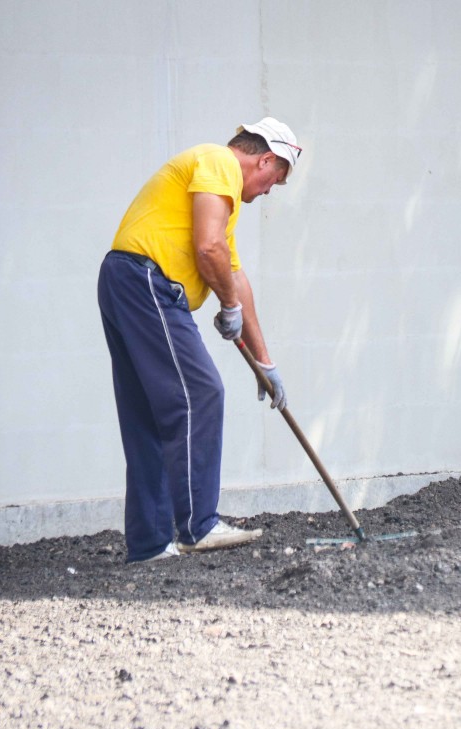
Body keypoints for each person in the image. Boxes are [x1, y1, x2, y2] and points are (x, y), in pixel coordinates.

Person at [97, 117, 301, 562]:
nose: (270, 190)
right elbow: (209, 249)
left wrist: (265, 362)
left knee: (149, 415)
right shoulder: (218, 161)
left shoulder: (223, 198)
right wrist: (226, 307)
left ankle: (150, 544)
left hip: (126, 280)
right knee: (202, 393)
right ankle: (198, 525)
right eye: (276, 179)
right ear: (265, 158)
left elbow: (233, 273)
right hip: (147, 281)